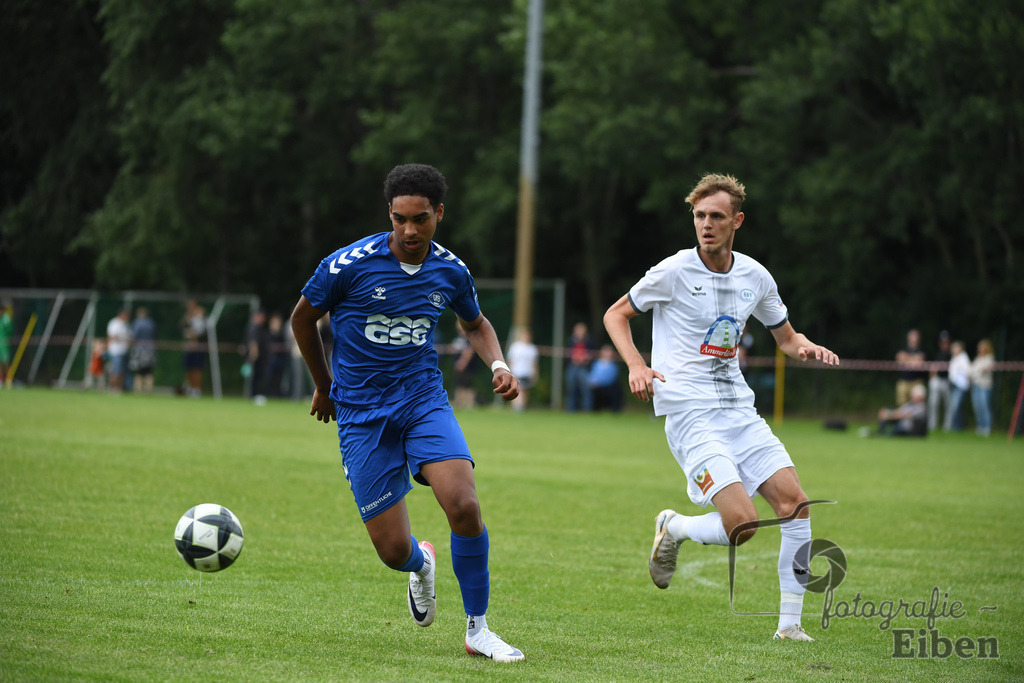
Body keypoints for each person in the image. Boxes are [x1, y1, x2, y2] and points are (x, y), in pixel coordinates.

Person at [290, 163, 524, 662]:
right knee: (393, 551)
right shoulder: (346, 266)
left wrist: (499, 363)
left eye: (421, 219)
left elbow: (476, 323)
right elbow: (302, 319)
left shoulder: (451, 270)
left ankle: (478, 630)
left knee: (463, 504)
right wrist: (323, 385)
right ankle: (421, 564)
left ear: (439, 213)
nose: (410, 230)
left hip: (422, 401)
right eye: (400, 219)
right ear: (389, 214)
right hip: (361, 413)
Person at [603, 173, 839, 643]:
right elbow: (616, 314)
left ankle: (789, 627)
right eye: (699, 216)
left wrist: (807, 347)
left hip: (739, 411)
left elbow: (787, 338)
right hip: (690, 413)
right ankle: (675, 527)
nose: (706, 225)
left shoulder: (756, 276)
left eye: (716, 216)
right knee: (744, 524)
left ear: (737, 221)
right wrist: (636, 365)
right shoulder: (673, 270)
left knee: (796, 507)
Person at [506, 329, 539, 412]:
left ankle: (522, 406)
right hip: (517, 371)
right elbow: (511, 359)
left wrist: (535, 373)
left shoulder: (532, 348)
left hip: (528, 372)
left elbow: (535, 363)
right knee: (518, 389)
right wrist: (509, 371)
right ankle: (518, 407)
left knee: (525, 390)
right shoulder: (515, 347)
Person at [565, 322, 594, 412]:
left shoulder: (589, 341)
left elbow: (593, 354)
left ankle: (587, 409)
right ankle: (571, 409)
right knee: (571, 388)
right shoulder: (570, 341)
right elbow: (567, 354)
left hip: (584, 368)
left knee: (586, 389)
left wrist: (587, 359)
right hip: (573, 367)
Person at [970, 338, 995, 437]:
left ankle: (987, 427)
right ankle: (980, 426)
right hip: (976, 385)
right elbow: (972, 371)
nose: (979, 348)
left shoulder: (990, 358)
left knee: (985, 406)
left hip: (985, 386)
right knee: (977, 407)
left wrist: (977, 371)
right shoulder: (977, 358)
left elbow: (984, 370)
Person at [927, 331, 951, 432]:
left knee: (948, 405)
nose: (944, 344)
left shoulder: (952, 354)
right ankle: (932, 426)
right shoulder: (936, 353)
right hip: (937, 380)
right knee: (933, 404)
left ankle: (947, 427)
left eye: (946, 342)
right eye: (943, 342)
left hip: (947, 381)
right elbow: (931, 367)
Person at [181, 300, 207, 398]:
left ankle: (196, 389)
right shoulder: (189, 319)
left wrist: (193, 338)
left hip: (197, 348)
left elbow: (197, 334)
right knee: (188, 368)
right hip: (189, 348)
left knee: (196, 369)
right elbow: (183, 328)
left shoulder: (202, 321)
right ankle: (190, 387)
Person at [451, 323, 479, 410]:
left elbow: (469, 351)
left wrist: (462, 362)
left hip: (467, 366)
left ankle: (468, 404)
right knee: (460, 384)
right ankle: (460, 403)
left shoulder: (468, 337)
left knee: (467, 385)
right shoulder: (459, 337)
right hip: (459, 364)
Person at [895, 329, 927, 406]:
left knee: (918, 405)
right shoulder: (903, 348)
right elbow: (899, 358)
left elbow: (920, 361)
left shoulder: (921, 350)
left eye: (915, 336)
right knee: (902, 405)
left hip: (917, 381)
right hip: (904, 381)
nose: (914, 338)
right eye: (912, 336)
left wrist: (906, 358)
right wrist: (914, 359)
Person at [129, 307, 157, 394]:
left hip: (139, 349)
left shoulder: (137, 323)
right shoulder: (151, 323)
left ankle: (138, 390)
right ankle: (149, 390)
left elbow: (133, 335)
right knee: (149, 371)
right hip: (150, 348)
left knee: (139, 371)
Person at [588, 344, 622, 412]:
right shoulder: (596, 364)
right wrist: (592, 382)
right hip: (596, 387)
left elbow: (611, 377)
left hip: (608, 386)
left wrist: (599, 382)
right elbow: (592, 375)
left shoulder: (613, 366)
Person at [946, 340, 971, 431]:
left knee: (956, 407)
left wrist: (967, 384)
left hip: (960, 386)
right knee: (956, 407)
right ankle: (957, 427)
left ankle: (957, 427)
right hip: (954, 385)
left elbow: (968, 372)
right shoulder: (954, 358)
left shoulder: (963, 358)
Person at [105, 308, 131, 393]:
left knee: (121, 371)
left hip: (123, 351)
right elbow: (112, 336)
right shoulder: (114, 323)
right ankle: (113, 388)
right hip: (116, 351)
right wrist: (122, 339)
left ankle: (120, 388)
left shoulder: (125, 325)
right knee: (116, 371)